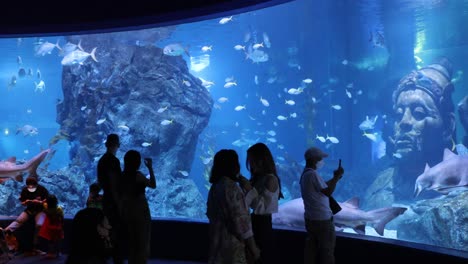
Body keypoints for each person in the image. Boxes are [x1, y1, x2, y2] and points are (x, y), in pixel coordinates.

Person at [365, 57, 457, 207]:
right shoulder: (379, 184)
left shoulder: (461, 184)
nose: (404, 122)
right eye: (398, 114)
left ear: (448, 127)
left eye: (419, 113)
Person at [206, 149, 260, 264]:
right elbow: (241, 221)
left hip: (216, 245)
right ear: (233, 165)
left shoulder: (215, 187)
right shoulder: (232, 188)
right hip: (232, 248)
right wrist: (253, 248)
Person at [239, 142, 283, 264]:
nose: (250, 164)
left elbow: (262, 208)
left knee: (262, 257)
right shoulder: (257, 178)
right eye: (249, 160)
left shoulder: (271, 179)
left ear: (261, 160)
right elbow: (247, 203)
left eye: (252, 160)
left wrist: (248, 188)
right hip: (253, 221)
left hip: (263, 225)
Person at [300, 147, 344, 264]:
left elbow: (323, 187)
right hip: (322, 221)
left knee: (311, 251)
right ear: (314, 159)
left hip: (311, 219)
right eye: (320, 158)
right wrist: (336, 177)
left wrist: (336, 178)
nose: (322, 161)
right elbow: (328, 191)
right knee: (327, 253)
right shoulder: (313, 174)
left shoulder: (306, 174)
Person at [120, 150, 156, 264]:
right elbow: (153, 185)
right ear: (137, 162)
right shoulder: (138, 175)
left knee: (132, 241)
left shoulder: (121, 176)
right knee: (142, 240)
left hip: (127, 210)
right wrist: (150, 167)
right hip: (141, 209)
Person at [1, 176, 49, 255]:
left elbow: (47, 200)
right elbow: (22, 202)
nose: (31, 187)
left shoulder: (42, 189)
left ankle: (35, 247)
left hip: (40, 211)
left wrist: (40, 202)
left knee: (39, 225)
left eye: (32, 186)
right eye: (29, 186)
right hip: (29, 210)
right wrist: (26, 202)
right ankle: (5, 232)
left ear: (36, 184)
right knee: (18, 221)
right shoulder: (25, 190)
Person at [97, 133, 124, 264]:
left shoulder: (101, 160)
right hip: (113, 200)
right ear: (117, 145)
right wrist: (119, 203)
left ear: (106, 144)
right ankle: (117, 259)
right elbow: (115, 183)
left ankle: (103, 259)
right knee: (115, 231)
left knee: (106, 230)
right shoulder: (113, 161)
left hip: (106, 198)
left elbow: (102, 182)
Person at [38, 194, 64, 259]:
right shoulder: (59, 209)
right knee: (58, 240)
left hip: (49, 227)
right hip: (57, 227)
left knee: (50, 241)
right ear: (56, 202)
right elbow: (62, 217)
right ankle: (58, 252)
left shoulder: (46, 208)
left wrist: (43, 201)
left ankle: (51, 253)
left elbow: (43, 204)